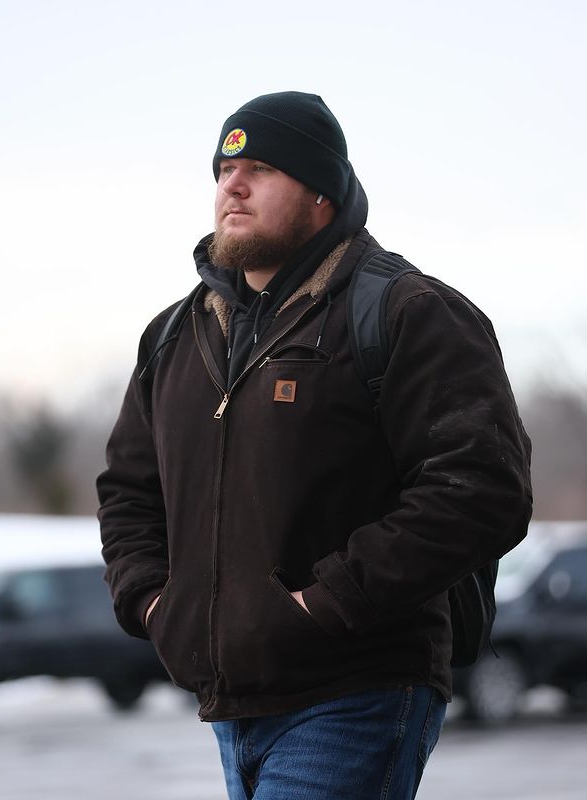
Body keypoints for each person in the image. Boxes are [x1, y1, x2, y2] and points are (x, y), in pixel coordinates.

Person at [97, 91, 532, 799]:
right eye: (223, 168)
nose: (231, 185)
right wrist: (153, 604)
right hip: (229, 704)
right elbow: (128, 493)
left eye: (261, 168)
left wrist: (323, 604)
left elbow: (482, 489)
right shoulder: (176, 335)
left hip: (356, 690)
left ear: (322, 193)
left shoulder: (408, 313)